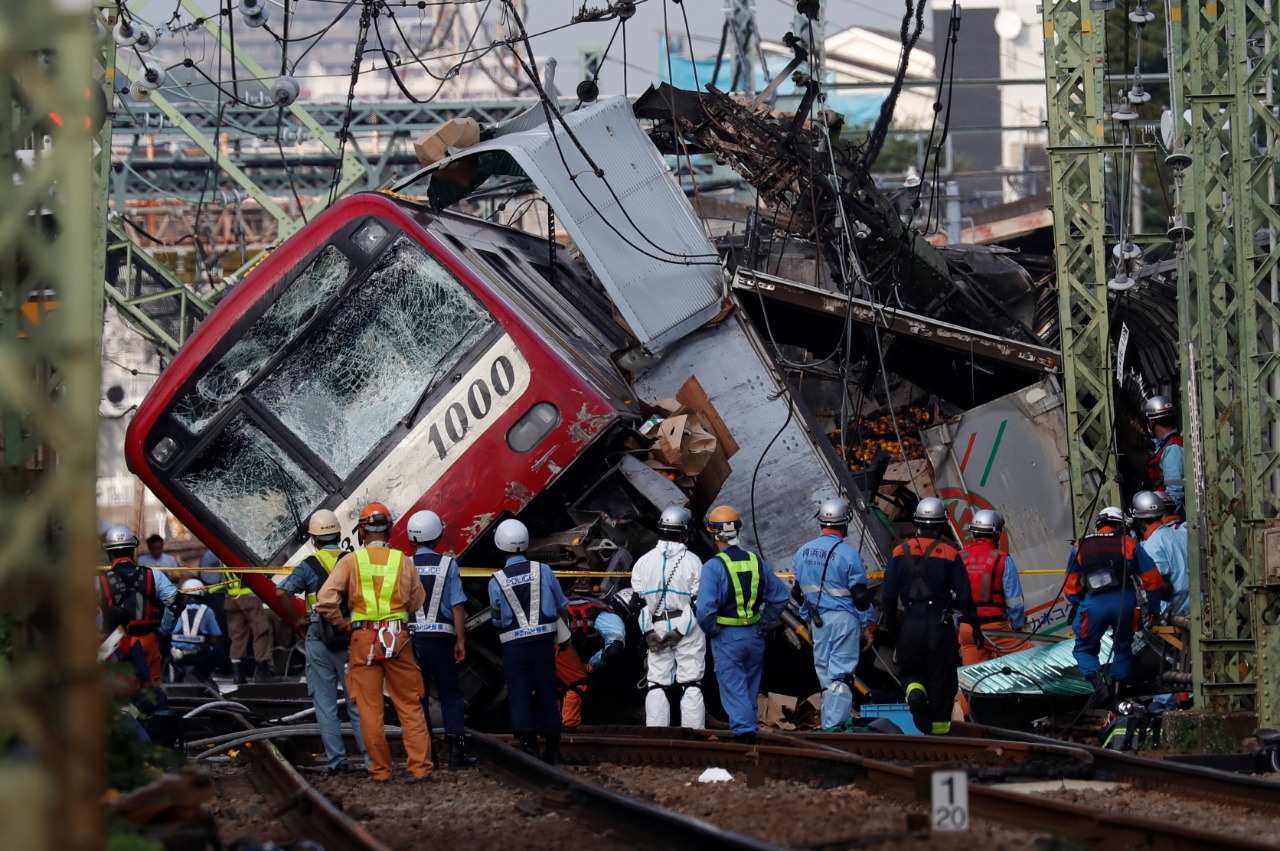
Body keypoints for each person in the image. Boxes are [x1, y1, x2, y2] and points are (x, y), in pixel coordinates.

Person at [316, 502, 434, 782]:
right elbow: (417, 601)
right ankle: (420, 769)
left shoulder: (350, 561)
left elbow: (325, 601)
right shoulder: (403, 561)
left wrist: (342, 623)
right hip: (398, 638)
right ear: (390, 531)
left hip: (363, 638)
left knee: (369, 709)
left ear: (362, 532)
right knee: (409, 705)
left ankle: (380, 771)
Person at [275, 509, 367, 775]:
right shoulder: (355, 561)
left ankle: (337, 763)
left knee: (326, 705)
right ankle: (373, 761)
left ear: (314, 540)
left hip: (318, 636)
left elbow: (281, 593)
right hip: (352, 635)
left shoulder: (308, 565)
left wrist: (296, 621)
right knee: (358, 702)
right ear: (339, 535)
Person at [877, 497, 976, 736]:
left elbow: (888, 597)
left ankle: (914, 693)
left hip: (910, 625)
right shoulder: (951, 554)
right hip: (939, 626)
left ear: (916, 523)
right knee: (942, 679)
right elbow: (965, 598)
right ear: (941, 524)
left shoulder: (899, 552)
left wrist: (894, 627)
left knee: (911, 672)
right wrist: (973, 625)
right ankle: (939, 737)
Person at [695, 505, 789, 744]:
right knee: (749, 686)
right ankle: (749, 730)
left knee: (733, 686)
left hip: (727, 636)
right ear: (738, 530)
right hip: (754, 634)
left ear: (712, 533)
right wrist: (765, 621)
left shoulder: (713, 567)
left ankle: (745, 736)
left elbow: (705, 609)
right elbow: (780, 596)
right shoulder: (755, 561)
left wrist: (711, 629)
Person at [1064, 506, 1166, 710]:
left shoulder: (1080, 546)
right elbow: (1153, 581)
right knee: (1123, 647)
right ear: (1120, 525)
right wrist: (1153, 610)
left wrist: (1079, 604)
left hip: (1094, 604)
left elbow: (1071, 584)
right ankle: (1117, 695)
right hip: (1124, 602)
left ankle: (1099, 685)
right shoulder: (1129, 543)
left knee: (1084, 648)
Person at [487, 517, 569, 763]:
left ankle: (529, 747)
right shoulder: (543, 570)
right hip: (544, 645)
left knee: (519, 694)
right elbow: (561, 605)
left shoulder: (496, 581)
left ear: (500, 546)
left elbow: (497, 619)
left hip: (514, 648)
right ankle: (553, 749)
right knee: (547, 692)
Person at [792, 498, 875, 731]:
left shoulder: (802, 553)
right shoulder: (848, 554)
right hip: (844, 621)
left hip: (819, 622)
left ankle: (830, 722)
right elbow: (860, 597)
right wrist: (869, 623)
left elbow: (798, 592)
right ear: (845, 524)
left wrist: (807, 616)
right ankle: (832, 727)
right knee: (842, 675)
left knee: (826, 675)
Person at [404, 509, 476, 769]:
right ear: (437, 536)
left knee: (417, 697)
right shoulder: (448, 565)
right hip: (441, 639)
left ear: (413, 538)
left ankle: (427, 754)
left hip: (412, 641)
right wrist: (460, 639)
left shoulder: (405, 564)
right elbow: (457, 605)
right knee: (450, 694)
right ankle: (457, 753)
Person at [632, 506, 706, 729]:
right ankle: (693, 736)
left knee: (656, 682)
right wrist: (681, 630)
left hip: (657, 626)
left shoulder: (643, 562)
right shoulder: (693, 562)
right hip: (689, 629)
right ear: (684, 532)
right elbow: (697, 602)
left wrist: (648, 632)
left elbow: (638, 602)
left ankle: (656, 733)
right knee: (691, 683)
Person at [1131, 491, 1191, 712]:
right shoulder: (1181, 534)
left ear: (1139, 519)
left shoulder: (1153, 544)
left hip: (1176, 611)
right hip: (1198, 606)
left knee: (1174, 658)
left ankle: (1170, 703)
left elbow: (1162, 586)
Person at [97, 525, 180, 681]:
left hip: (115, 641)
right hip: (148, 639)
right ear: (133, 549)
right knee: (151, 692)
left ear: (108, 552)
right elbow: (177, 602)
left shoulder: (100, 581)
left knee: (116, 690)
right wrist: (165, 628)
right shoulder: (154, 575)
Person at [555, 589, 633, 730]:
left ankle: (544, 724)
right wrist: (593, 664)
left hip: (534, 634)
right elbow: (614, 649)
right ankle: (568, 727)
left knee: (551, 682)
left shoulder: (592, 603)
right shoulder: (612, 616)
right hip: (555, 637)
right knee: (578, 682)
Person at [958, 509, 1027, 664]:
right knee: (1031, 657)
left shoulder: (960, 557)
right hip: (993, 627)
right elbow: (1015, 602)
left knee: (973, 678)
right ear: (996, 534)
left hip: (967, 628)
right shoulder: (1002, 559)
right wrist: (1017, 626)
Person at [225, 567, 278, 684]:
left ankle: (237, 674)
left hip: (231, 597)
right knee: (262, 631)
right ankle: (262, 671)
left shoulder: (225, 552)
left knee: (237, 635)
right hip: (249, 596)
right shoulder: (239, 550)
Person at [170, 579, 224, 681]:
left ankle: (174, 671)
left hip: (175, 656)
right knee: (219, 652)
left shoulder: (174, 608)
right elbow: (215, 636)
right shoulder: (207, 611)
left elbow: (166, 631)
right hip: (198, 656)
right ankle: (201, 673)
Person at [1142, 395, 1185, 518]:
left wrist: (1162, 520)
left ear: (1151, 422)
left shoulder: (1173, 449)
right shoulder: (1165, 446)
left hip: (1165, 517)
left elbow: (1174, 492)